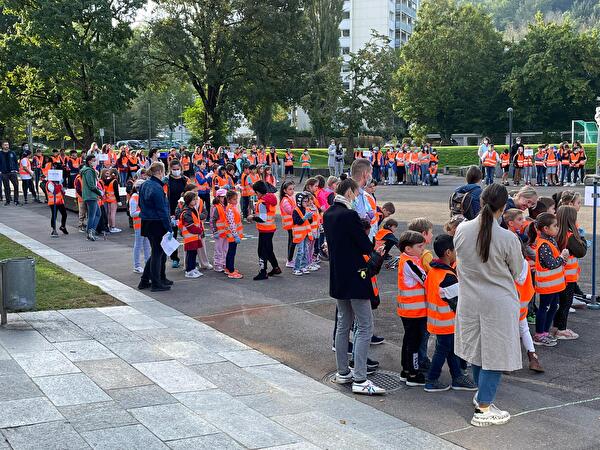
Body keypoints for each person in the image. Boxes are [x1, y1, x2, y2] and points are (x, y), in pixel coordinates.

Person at [454, 183, 524, 427]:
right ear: (504, 208)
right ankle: (484, 407)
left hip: (470, 300)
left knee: (477, 351)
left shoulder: (462, 229)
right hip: (498, 302)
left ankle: (481, 398)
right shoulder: (507, 237)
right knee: (495, 355)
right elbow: (518, 272)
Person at [323, 177, 385, 395]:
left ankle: (343, 371)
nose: (358, 197)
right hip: (357, 276)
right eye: (357, 193)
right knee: (365, 325)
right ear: (349, 192)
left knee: (343, 324)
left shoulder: (329, 213)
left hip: (339, 276)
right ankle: (360, 377)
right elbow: (365, 245)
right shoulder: (349, 215)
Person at [424, 234, 477, 392]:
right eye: (455, 250)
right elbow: (457, 303)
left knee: (449, 348)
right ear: (448, 252)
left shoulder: (434, 270)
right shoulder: (448, 276)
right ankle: (432, 379)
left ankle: (457, 377)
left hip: (437, 319)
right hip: (446, 321)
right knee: (442, 350)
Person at [503, 208, 544, 372]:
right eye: (520, 219)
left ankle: (507, 361)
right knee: (523, 328)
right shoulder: (523, 262)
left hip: (511, 297)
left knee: (509, 330)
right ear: (511, 222)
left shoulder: (508, 240)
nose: (523, 222)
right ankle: (532, 356)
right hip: (523, 298)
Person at [530, 212, 569, 346]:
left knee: (554, 306)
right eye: (555, 226)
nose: (557, 228)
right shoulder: (544, 245)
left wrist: (562, 259)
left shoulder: (550, 241)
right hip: (547, 285)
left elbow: (555, 263)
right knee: (545, 308)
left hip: (554, 285)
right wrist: (562, 257)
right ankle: (539, 334)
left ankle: (545, 331)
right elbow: (551, 264)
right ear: (546, 229)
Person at [397, 230, 428, 386]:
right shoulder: (410, 262)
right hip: (414, 311)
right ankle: (413, 374)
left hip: (410, 309)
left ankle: (406, 370)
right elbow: (426, 280)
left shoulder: (408, 260)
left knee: (409, 340)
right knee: (414, 342)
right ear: (408, 248)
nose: (422, 249)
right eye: (419, 246)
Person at [552, 205, 587, 339]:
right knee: (565, 304)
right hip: (568, 276)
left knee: (559, 303)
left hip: (558, 275)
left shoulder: (556, 233)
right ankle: (561, 329)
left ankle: (556, 327)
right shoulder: (570, 236)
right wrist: (581, 238)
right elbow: (581, 252)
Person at [138, 162, 173, 292]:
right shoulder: (157, 187)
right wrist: (168, 227)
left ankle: (148, 280)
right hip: (157, 222)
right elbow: (162, 210)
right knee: (158, 253)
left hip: (147, 220)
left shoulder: (144, 184)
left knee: (157, 253)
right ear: (159, 172)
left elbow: (141, 203)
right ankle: (156, 282)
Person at [247, 180, 281, 280]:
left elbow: (262, 218)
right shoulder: (270, 199)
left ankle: (263, 271)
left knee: (261, 251)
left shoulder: (262, 202)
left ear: (258, 192)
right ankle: (276, 267)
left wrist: (252, 217)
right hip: (270, 228)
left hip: (264, 229)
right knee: (269, 249)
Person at [166, 160, 188, 268]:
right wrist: (170, 213)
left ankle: (189, 258)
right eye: (174, 169)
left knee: (188, 235)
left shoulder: (184, 179)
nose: (176, 171)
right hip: (171, 211)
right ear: (170, 169)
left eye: (177, 169)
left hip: (184, 210)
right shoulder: (167, 180)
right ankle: (174, 258)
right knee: (172, 235)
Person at [179, 191, 204, 279]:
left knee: (193, 253)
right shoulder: (187, 212)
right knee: (190, 254)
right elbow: (190, 226)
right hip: (190, 236)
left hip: (194, 236)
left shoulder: (192, 209)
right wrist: (199, 230)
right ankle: (189, 271)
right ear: (189, 200)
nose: (196, 201)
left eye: (196, 199)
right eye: (194, 200)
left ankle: (192, 269)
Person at [350, 158, 377, 240]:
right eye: (371, 173)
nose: (371, 177)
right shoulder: (351, 194)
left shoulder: (362, 194)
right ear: (365, 174)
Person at [129, 179, 150, 274]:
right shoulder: (134, 197)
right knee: (138, 245)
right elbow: (132, 213)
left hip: (145, 223)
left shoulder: (141, 197)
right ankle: (137, 265)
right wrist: (144, 213)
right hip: (139, 224)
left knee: (146, 244)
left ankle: (147, 263)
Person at [81, 154, 102, 241]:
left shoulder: (88, 170)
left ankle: (91, 231)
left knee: (97, 214)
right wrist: (100, 192)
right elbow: (91, 185)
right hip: (91, 195)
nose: (95, 162)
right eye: (94, 160)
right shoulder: (89, 171)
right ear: (89, 161)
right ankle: (90, 233)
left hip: (90, 195)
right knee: (92, 215)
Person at [292, 192, 313, 276]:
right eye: (304, 201)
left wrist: (310, 217)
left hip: (306, 233)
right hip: (299, 234)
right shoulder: (295, 210)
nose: (306, 203)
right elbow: (297, 221)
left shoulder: (307, 209)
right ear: (299, 201)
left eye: (307, 201)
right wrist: (305, 217)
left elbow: (309, 222)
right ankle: (296, 268)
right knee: (300, 251)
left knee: (306, 250)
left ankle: (303, 266)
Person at [224, 190, 243, 279]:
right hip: (232, 235)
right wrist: (235, 235)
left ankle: (228, 268)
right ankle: (231, 271)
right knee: (231, 252)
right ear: (229, 200)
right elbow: (231, 224)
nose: (236, 201)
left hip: (232, 235)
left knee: (231, 252)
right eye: (234, 199)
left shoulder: (232, 207)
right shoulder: (230, 209)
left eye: (237, 199)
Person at [211, 189, 229, 273]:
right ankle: (218, 264)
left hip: (225, 232)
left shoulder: (224, 206)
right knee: (218, 249)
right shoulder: (216, 207)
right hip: (219, 232)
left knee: (225, 248)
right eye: (222, 197)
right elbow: (212, 220)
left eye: (224, 196)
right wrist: (214, 231)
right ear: (218, 197)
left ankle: (224, 263)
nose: (224, 198)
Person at [46, 168, 68, 237]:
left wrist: (63, 190)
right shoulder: (49, 183)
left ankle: (63, 226)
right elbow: (55, 191)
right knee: (54, 215)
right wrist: (60, 185)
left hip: (60, 201)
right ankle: (53, 229)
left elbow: (61, 191)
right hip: (53, 202)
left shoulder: (58, 182)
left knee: (64, 214)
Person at [279, 181, 296, 268]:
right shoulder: (285, 200)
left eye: (293, 189)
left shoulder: (290, 198)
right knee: (292, 242)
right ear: (285, 190)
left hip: (291, 223)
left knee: (292, 241)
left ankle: (290, 259)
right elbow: (290, 211)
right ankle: (289, 260)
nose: (292, 191)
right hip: (290, 224)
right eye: (290, 189)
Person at [0, 141, 20, 206]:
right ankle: (8, 201)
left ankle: (16, 200)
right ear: (2, 146)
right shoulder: (0, 153)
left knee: (16, 185)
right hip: (4, 173)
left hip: (13, 172)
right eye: (5, 145)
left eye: (7, 145)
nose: (7, 146)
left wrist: (16, 170)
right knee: (6, 187)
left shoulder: (12, 153)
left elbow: (16, 162)